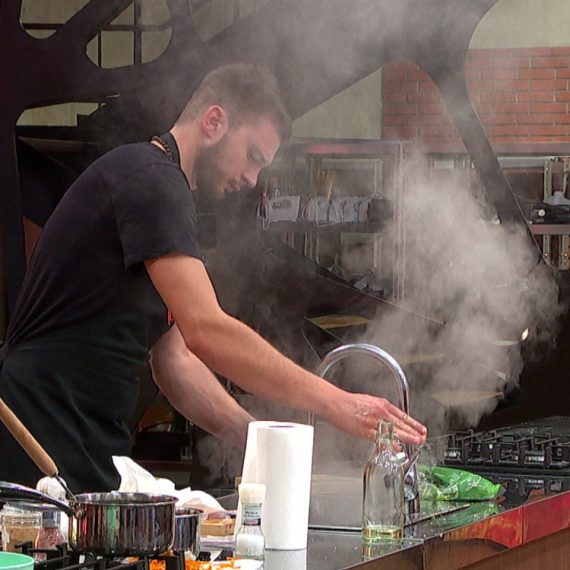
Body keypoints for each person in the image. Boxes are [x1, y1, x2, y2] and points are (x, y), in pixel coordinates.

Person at [0, 63, 427, 493]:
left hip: (81, 437)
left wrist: (256, 438)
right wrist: (339, 403)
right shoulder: (152, 180)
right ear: (214, 122)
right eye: (253, 157)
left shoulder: (159, 189)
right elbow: (207, 330)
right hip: (38, 434)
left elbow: (176, 361)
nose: (251, 178)